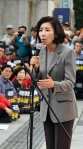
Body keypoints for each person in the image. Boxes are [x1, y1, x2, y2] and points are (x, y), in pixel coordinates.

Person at [30, 16, 77, 149]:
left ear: (56, 33)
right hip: (46, 106)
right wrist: (35, 68)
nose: (42, 33)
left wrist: (54, 84)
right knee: (50, 146)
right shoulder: (42, 51)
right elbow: (39, 79)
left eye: (47, 30)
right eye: (40, 30)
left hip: (64, 108)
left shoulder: (67, 52)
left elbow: (70, 82)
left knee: (61, 146)